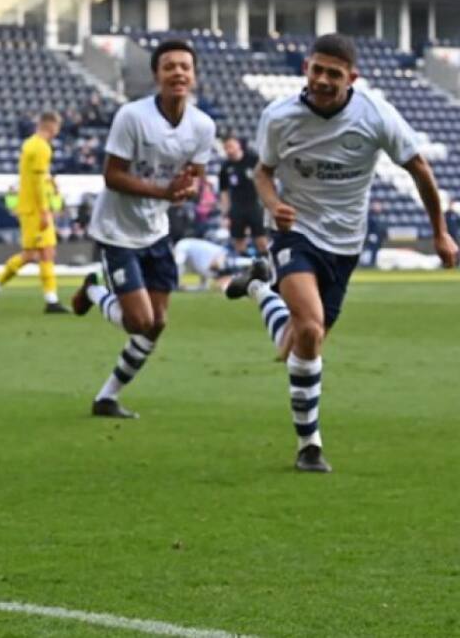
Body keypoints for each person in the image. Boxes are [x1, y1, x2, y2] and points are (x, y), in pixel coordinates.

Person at [224, 33, 458, 472]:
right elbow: (262, 173)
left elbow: (420, 169)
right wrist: (274, 206)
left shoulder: (375, 114)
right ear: (305, 69)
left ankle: (258, 287)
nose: (324, 80)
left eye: (335, 73)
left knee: (293, 346)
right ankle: (309, 445)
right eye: (318, 70)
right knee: (310, 329)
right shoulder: (279, 117)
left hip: (346, 244)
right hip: (296, 235)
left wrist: (440, 233)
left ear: (353, 77)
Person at [70, 40, 216, 419]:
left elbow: (194, 178)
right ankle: (95, 289)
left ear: (194, 75)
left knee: (157, 324)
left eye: (185, 66)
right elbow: (112, 176)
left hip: (156, 230)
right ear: (157, 75)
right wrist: (163, 191)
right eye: (170, 66)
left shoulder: (203, 126)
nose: (178, 72)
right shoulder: (132, 117)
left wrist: (185, 189)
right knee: (139, 321)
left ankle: (107, 397)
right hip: (117, 230)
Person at [0, 111, 70, 314]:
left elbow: (37, 178)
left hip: (30, 208)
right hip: (35, 210)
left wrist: (49, 181)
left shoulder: (31, 144)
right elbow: (36, 183)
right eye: (57, 127)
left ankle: (50, 300)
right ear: (51, 126)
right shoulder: (41, 147)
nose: (58, 131)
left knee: (43, 253)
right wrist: (45, 211)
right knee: (33, 254)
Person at [218, 135, 268, 256]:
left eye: (230, 146)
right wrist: (225, 214)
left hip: (255, 206)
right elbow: (224, 192)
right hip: (236, 209)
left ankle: (267, 266)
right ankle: (245, 268)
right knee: (238, 241)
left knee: (261, 240)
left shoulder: (253, 160)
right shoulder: (225, 167)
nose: (228, 150)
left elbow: (266, 181)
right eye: (226, 148)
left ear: (238, 145)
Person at [173, 237, 248, 291]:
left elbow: (178, 264)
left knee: (206, 285)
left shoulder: (182, 245)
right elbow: (203, 286)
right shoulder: (191, 260)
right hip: (217, 263)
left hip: (219, 259)